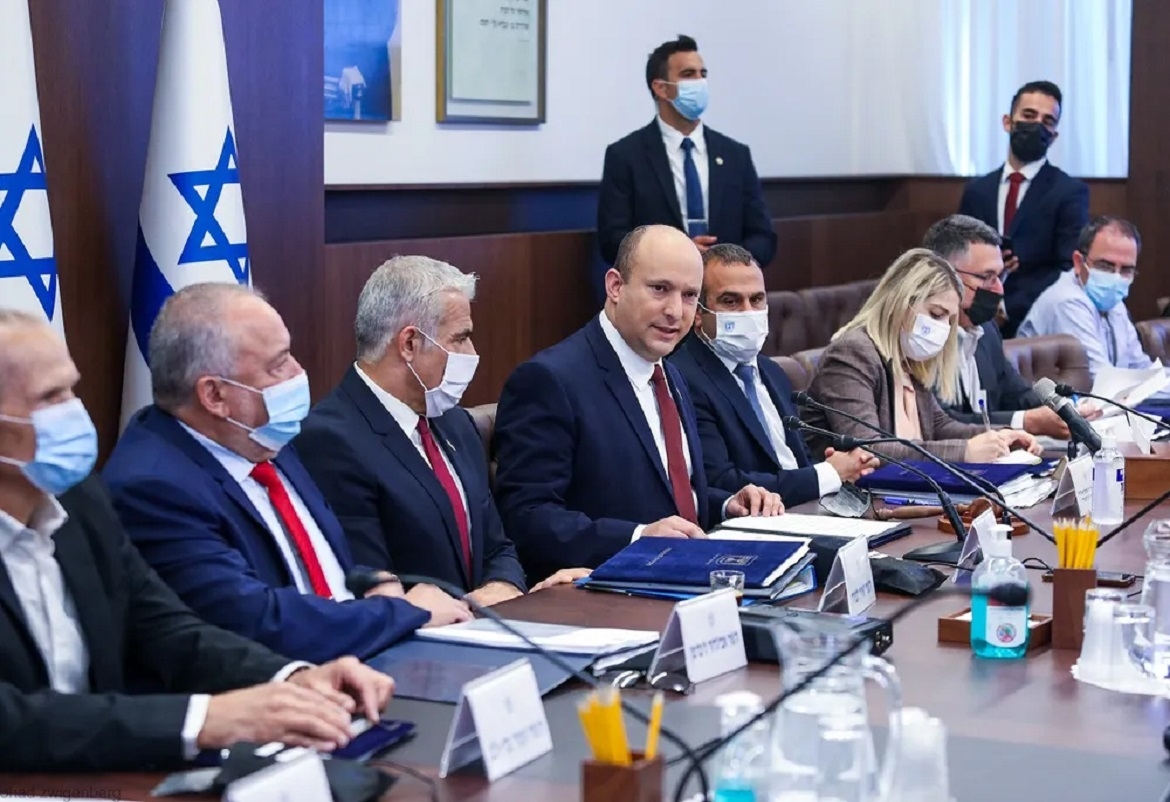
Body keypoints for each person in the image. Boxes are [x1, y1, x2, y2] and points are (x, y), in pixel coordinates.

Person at [0, 310, 394, 772]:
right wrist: (205, 719)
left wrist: (291, 678)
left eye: (72, 389)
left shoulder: (78, 499)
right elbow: (11, 719)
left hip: (100, 776)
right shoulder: (139, 481)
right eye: (50, 397)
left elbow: (162, 626)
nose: (74, 411)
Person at [104, 284, 471, 666]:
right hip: (280, 682)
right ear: (214, 395)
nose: (298, 373)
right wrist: (405, 612)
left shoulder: (262, 437)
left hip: (358, 656)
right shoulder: (153, 489)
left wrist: (368, 583)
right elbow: (254, 621)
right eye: (277, 364)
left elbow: (307, 564)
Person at [494, 225, 783, 581]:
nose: (675, 311)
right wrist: (637, 538)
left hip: (687, 578)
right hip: (604, 590)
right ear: (615, 286)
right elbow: (526, 518)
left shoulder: (669, 373)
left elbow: (665, 496)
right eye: (660, 289)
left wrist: (726, 503)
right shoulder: (549, 380)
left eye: (689, 295)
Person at [297, 257, 587, 603]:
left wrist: (504, 586)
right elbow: (370, 587)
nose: (472, 352)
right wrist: (469, 609)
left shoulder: (455, 423)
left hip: (488, 626)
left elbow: (497, 545)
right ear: (409, 343)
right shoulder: (330, 441)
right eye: (460, 338)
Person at [669, 244, 879, 506]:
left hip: (809, 510)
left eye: (757, 299)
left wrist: (840, 468)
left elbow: (797, 462)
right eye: (731, 301)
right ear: (698, 313)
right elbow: (721, 482)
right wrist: (826, 475)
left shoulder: (772, 372)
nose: (748, 312)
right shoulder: (682, 378)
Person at [803, 248, 1040, 463]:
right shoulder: (852, 353)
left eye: (949, 319)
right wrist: (965, 451)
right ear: (900, 303)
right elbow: (869, 449)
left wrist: (999, 437)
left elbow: (939, 426)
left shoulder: (910, 358)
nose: (944, 329)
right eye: (936, 314)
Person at [596, 35, 776, 289]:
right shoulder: (625, 156)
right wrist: (676, 255)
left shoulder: (736, 155)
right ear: (661, 88)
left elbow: (763, 236)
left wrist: (726, 264)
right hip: (660, 294)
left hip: (727, 293)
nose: (700, 82)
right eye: (689, 74)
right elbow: (612, 240)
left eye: (703, 74)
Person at [923, 214, 1097, 438]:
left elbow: (1016, 394)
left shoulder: (987, 330)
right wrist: (1026, 422)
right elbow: (940, 424)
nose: (999, 289)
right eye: (987, 277)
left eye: (1000, 276)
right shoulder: (921, 337)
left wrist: (1065, 409)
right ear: (943, 275)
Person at [958, 80, 1089, 337]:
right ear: (1008, 122)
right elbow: (959, 256)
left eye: (1047, 121)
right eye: (1029, 115)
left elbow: (1067, 269)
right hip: (971, 318)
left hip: (1034, 324)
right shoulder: (977, 190)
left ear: (1054, 135)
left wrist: (1004, 307)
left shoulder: (1069, 192)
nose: (1037, 124)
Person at [1017, 217, 1151, 380]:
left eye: (1126, 270)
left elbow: (1141, 368)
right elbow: (1099, 379)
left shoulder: (1115, 304)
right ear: (1079, 262)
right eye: (1105, 266)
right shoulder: (1067, 302)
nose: (1116, 277)